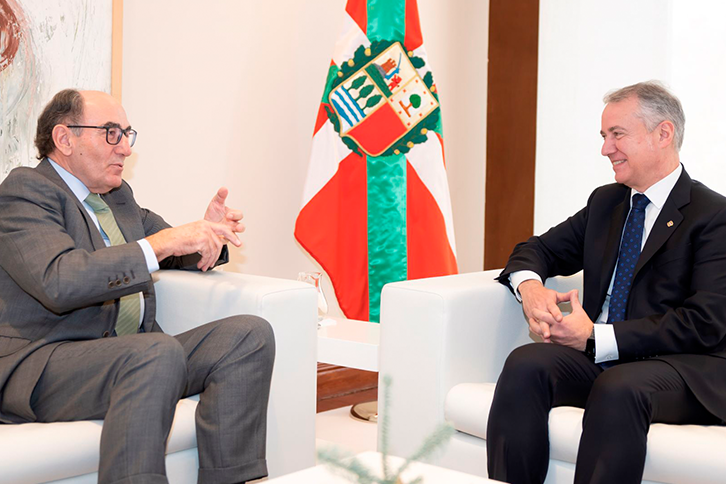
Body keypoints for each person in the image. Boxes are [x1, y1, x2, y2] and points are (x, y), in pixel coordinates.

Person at [0, 89, 275, 484]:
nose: (125, 148)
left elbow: (173, 250)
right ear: (65, 139)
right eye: (111, 133)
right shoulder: (24, 192)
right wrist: (163, 243)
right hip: (44, 364)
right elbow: (59, 280)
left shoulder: (117, 198)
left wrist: (206, 234)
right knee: (154, 351)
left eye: (128, 133)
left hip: (131, 355)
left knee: (248, 333)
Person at [486, 81, 726, 484]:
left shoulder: (713, 215)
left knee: (620, 387)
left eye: (617, 135)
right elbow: (536, 250)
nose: (605, 148)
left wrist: (596, 337)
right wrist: (531, 291)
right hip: (605, 360)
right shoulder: (608, 202)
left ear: (662, 134)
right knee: (526, 364)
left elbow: (704, 322)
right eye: (603, 136)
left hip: (684, 369)